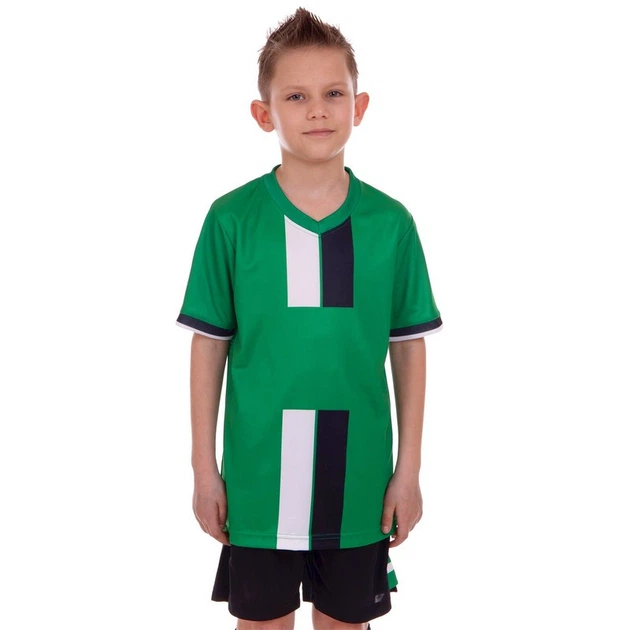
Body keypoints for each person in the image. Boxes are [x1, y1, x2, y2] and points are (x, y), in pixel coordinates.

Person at [175, 7, 443, 630]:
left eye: (333, 94)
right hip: (258, 478)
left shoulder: (390, 224)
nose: (317, 110)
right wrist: (203, 469)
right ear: (263, 113)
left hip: (357, 480)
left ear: (360, 106)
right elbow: (209, 346)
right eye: (296, 96)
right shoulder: (231, 220)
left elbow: (408, 347)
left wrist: (408, 470)